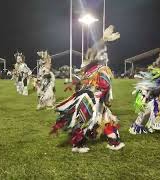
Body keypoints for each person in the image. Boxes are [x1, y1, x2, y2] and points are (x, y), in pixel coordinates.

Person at [50, 25, 125, 153]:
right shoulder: (102, 69)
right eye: (104, 53)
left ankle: (113, 142)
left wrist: (103, 40)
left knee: (104, 120)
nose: (106, 56)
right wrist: (106, 100)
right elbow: (105, 87)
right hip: (93, 101)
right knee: (92, 121)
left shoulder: (87, 69)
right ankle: (80, 144)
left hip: (88, 100)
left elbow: (80, 82)